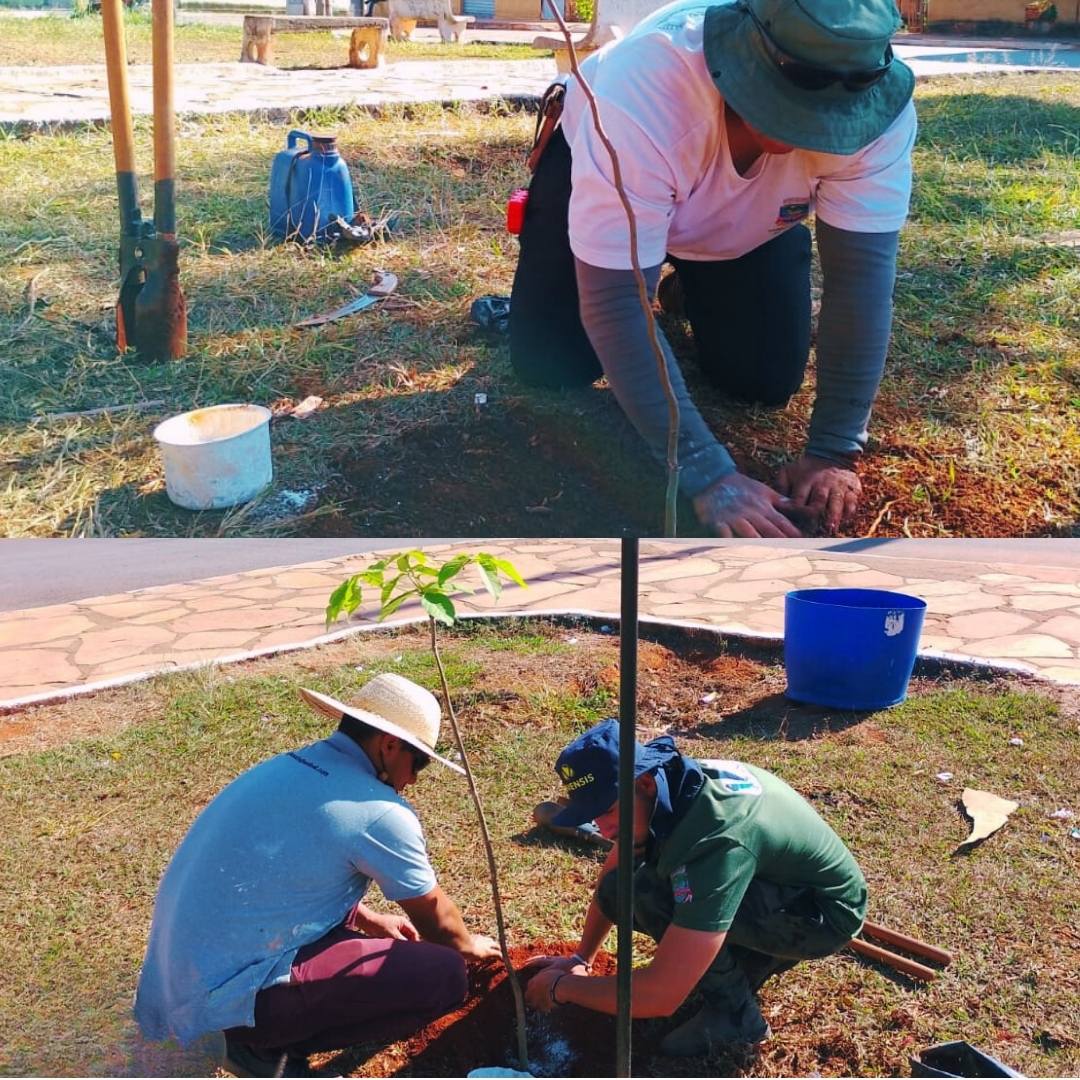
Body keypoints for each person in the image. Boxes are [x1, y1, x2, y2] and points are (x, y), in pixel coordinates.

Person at [509, 0, 917, 538]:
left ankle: (686, 292)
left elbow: (861, 286)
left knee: (761, 379)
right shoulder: (640, 92)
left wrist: (834, 450)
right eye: (788, 108)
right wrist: (706, 473)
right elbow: (615, 300)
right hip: (601, 172)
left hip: (743, 228)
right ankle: (656, 284)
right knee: (552, 365)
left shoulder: (878, 113)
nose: (804, 133)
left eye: (825, 123)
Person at [133, 673, 500, 1079]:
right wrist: (468, 947)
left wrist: (367, 919)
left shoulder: (285, 767)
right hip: (222, 1000)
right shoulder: (379, 811)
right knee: (445, 974)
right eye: (418, 763)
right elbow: (435, 919)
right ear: (389, 744)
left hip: (179, 975)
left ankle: (253, 1029)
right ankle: (258, 1047)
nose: (413, 779)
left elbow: (283, 869)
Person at [524, 719, 868, 1057]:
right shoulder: (671, 784)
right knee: (623, 889)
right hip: (779, 884)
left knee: (653, 896)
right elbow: (614, 878)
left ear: (643, 784)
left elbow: (661, 995)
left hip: (821, 915)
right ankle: (751, 959)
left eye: (609, 811)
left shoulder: (715, 838)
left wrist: (562, 988)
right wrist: (582, 956)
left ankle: (737, 1017)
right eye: (593, 814)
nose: (603, 827)